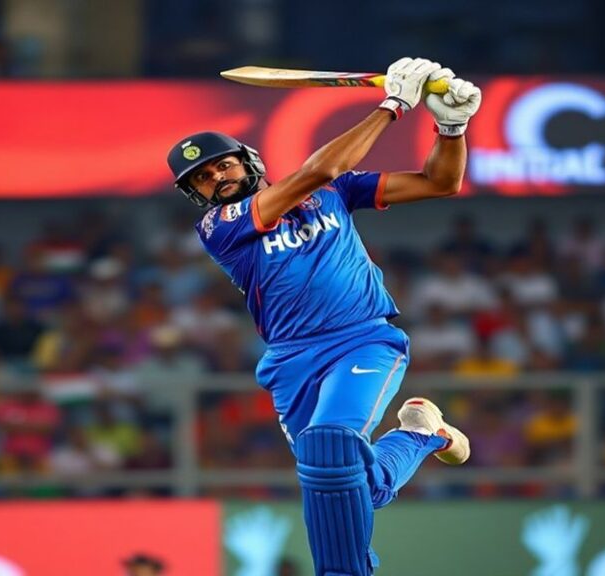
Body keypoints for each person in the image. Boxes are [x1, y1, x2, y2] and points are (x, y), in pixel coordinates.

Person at [166, 57, 481, 575]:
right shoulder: (220, 226)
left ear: (247, 161)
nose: (216, 177)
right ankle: (423, 433)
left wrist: (451, 128)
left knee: (330, 446)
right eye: (202, 177)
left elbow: (439, 182)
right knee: (356, 482)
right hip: (290, 361)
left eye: (223, 164)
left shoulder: (336, 193)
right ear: (195, 194)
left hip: (361, 341)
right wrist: (394, 106)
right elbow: (320, 170)